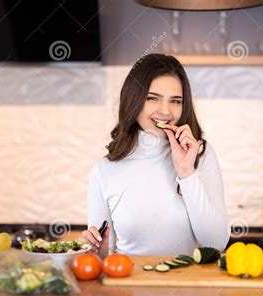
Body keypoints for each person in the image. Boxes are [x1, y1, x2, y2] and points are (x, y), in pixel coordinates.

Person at [81, 53, 230, 257]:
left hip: (187, 285)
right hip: (129, 285)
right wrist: (97, 250)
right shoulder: (104, 169)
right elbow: (105, 256)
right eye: (152, 98)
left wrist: (186, 172)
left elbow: (216, 243)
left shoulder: (200, 154)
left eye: (176, 101)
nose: (165, 111)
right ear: (134, 99)